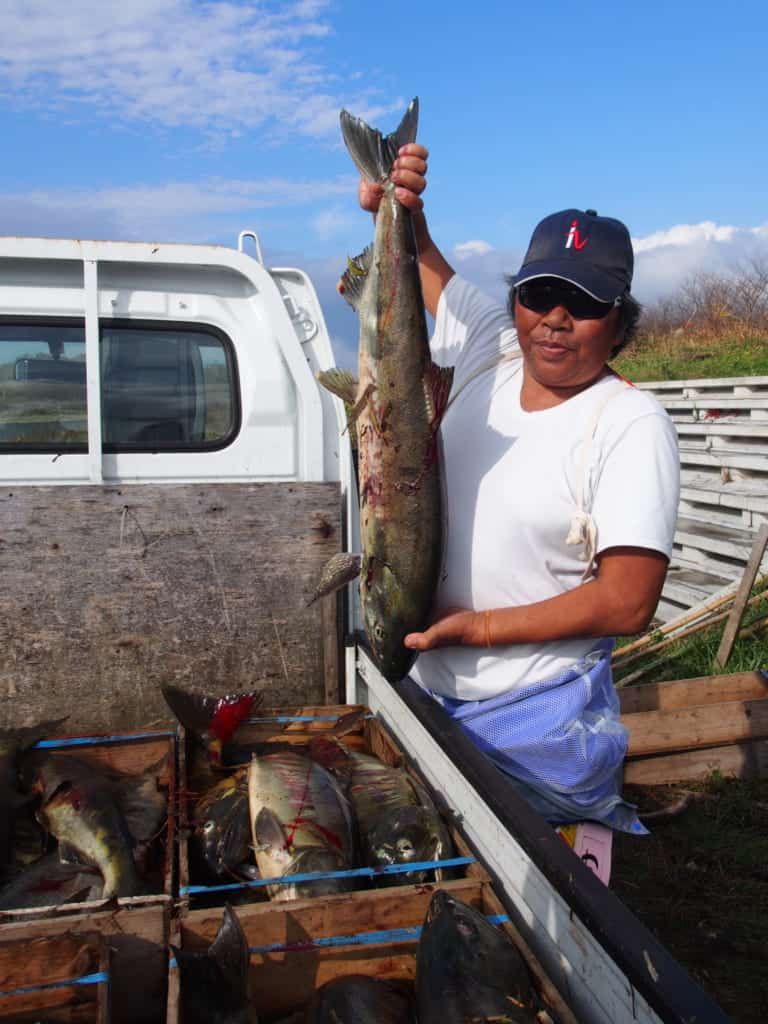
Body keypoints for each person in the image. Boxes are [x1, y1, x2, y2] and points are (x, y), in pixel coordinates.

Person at [358, 145, 680, 834]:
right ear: (515, 300)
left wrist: (480, 630)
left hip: (536, 720)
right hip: (428, 692)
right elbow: (427, 266)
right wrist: (401, 204)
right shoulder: (491, 344)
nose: (555, 318)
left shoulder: (628, 422)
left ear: (622, 323)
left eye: (586, 303)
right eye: (539, 294)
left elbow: (628, 602)